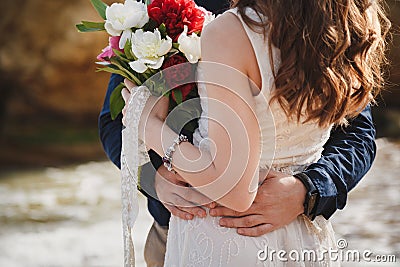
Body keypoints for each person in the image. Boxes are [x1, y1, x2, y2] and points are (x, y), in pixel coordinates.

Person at [99, 0, 388, 266]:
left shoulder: (244, 27)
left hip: (242, 229)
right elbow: (112, 121)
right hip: (179, 219)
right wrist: (152, 177)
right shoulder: (346, 18)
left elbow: (357, 133)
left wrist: (308, 190)